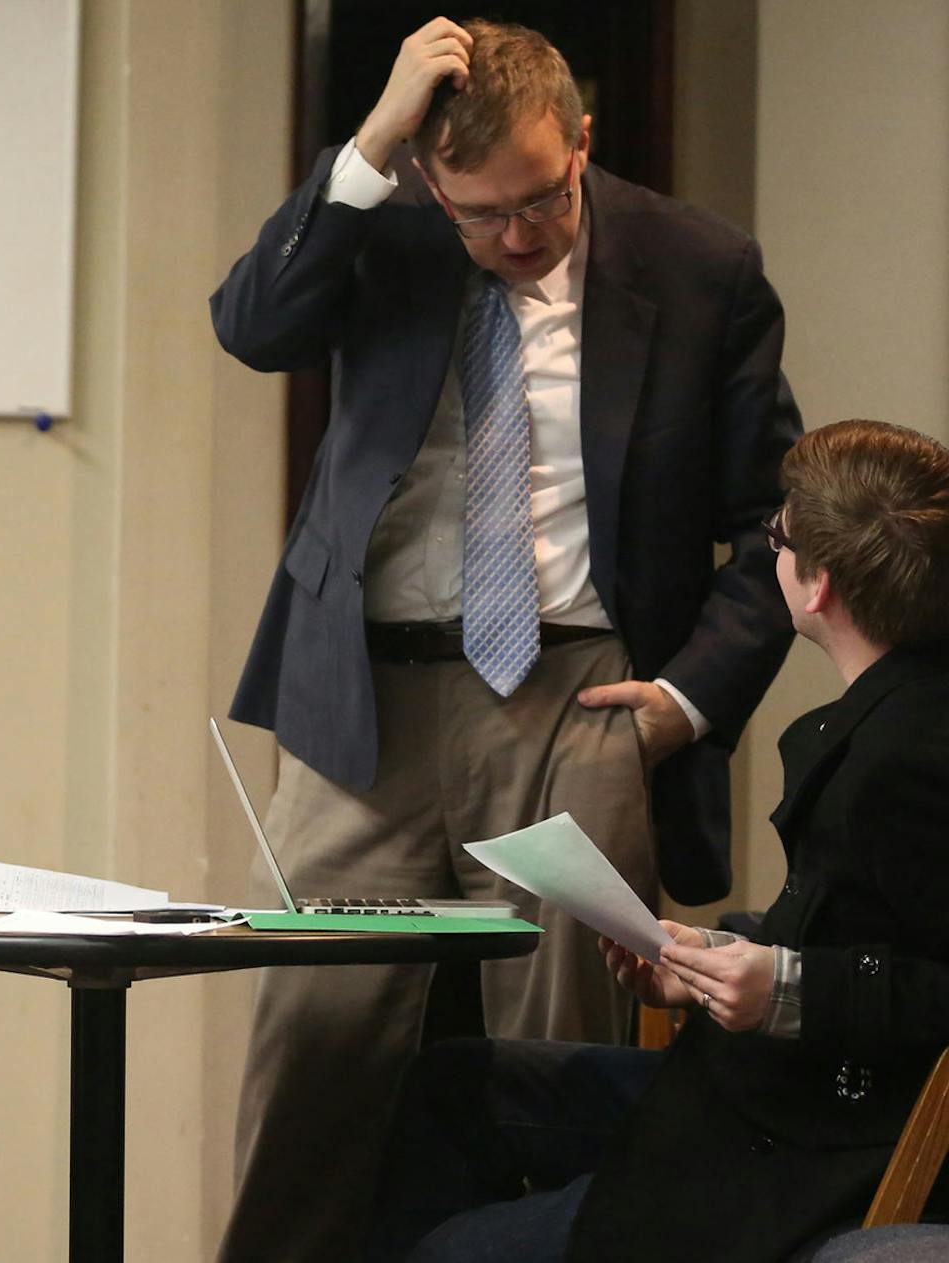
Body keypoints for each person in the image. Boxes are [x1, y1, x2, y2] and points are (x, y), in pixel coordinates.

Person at [208, 17, 801, 1260]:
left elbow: (773, 522)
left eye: (544, 200)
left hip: (577, 694)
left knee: (562, 1056)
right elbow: (255, 327)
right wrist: (370, 145)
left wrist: (685, 701)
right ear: (433, 182)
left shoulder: (700, 265)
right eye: (483, 216)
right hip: (364, 699)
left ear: (582, 141)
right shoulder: (380, 224)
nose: (519, 237)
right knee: (311, 1053)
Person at [364, 417, 949, 1262]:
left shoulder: (910, 754)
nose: (772, 550)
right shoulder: (891, 717)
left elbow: (916, 972)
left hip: (809, 1140)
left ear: (818, 584)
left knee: (451, 1249)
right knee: (453, 1081)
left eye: (778, 536)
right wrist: (709, 964)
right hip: (762, 1091)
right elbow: (862, 926)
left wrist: (787, 990)